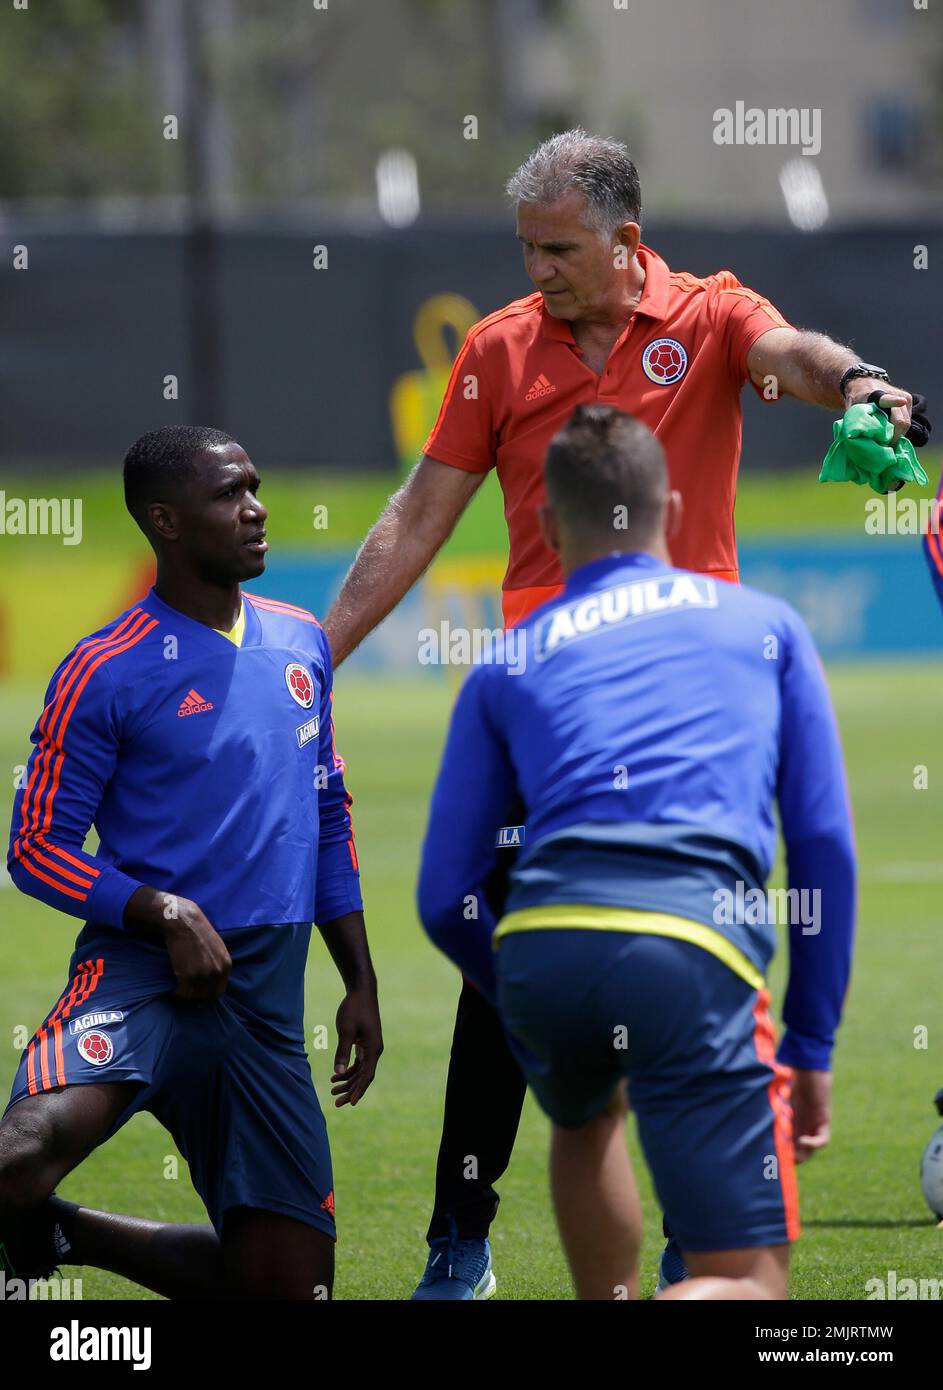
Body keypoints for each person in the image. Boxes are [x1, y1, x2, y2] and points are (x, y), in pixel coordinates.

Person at [323, 129, 899, 1298]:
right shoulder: (497, 352)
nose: (536, 269)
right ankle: (460, 1243)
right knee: (502, 984)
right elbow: (419, 513)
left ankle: (699, 1245)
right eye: (526, 248)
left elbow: (790, 352)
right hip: (554, 704)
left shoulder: (712, 314)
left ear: (626, 243)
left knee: (697, 963)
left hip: (695, 706)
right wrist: (311, 663)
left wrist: (858, 383)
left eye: (558, 249)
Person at [418, 404, 856, 1300]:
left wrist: (518, 998)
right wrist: (810, 1043)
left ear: (544, 525)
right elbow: (821, 846)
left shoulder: (504, 660)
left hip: (544, 951)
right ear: (676, 510)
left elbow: (443, 895)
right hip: (689, 946)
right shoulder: (766, 626)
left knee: (585, 1122)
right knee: (749, 1284)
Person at [0, 426, 382, 1300]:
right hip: (142, 979)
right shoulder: (103, 670)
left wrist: (356, 980)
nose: (255, 510)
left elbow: (327, 812)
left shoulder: (301, 643)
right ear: (165, 522)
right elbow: (35, 849)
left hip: (264, 1012)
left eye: (254, 486)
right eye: (228, 495)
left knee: (292, 1292)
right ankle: (27, 1228)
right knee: (16, 1163)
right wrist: (163, 913)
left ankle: (62, 1241)